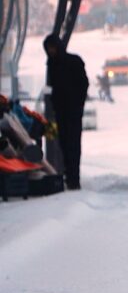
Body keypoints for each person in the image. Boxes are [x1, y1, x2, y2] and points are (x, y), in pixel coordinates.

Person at [44, 35, 89, 190]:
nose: (50, 51)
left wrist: (77, 103)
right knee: (64, 144)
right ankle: (69, 176)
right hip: (62, 111)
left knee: (73, 145)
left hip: (73, 111)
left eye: (52, 48)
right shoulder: (52, 64)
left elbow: (83, 84)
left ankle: (73, 178)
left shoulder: (73, 62)